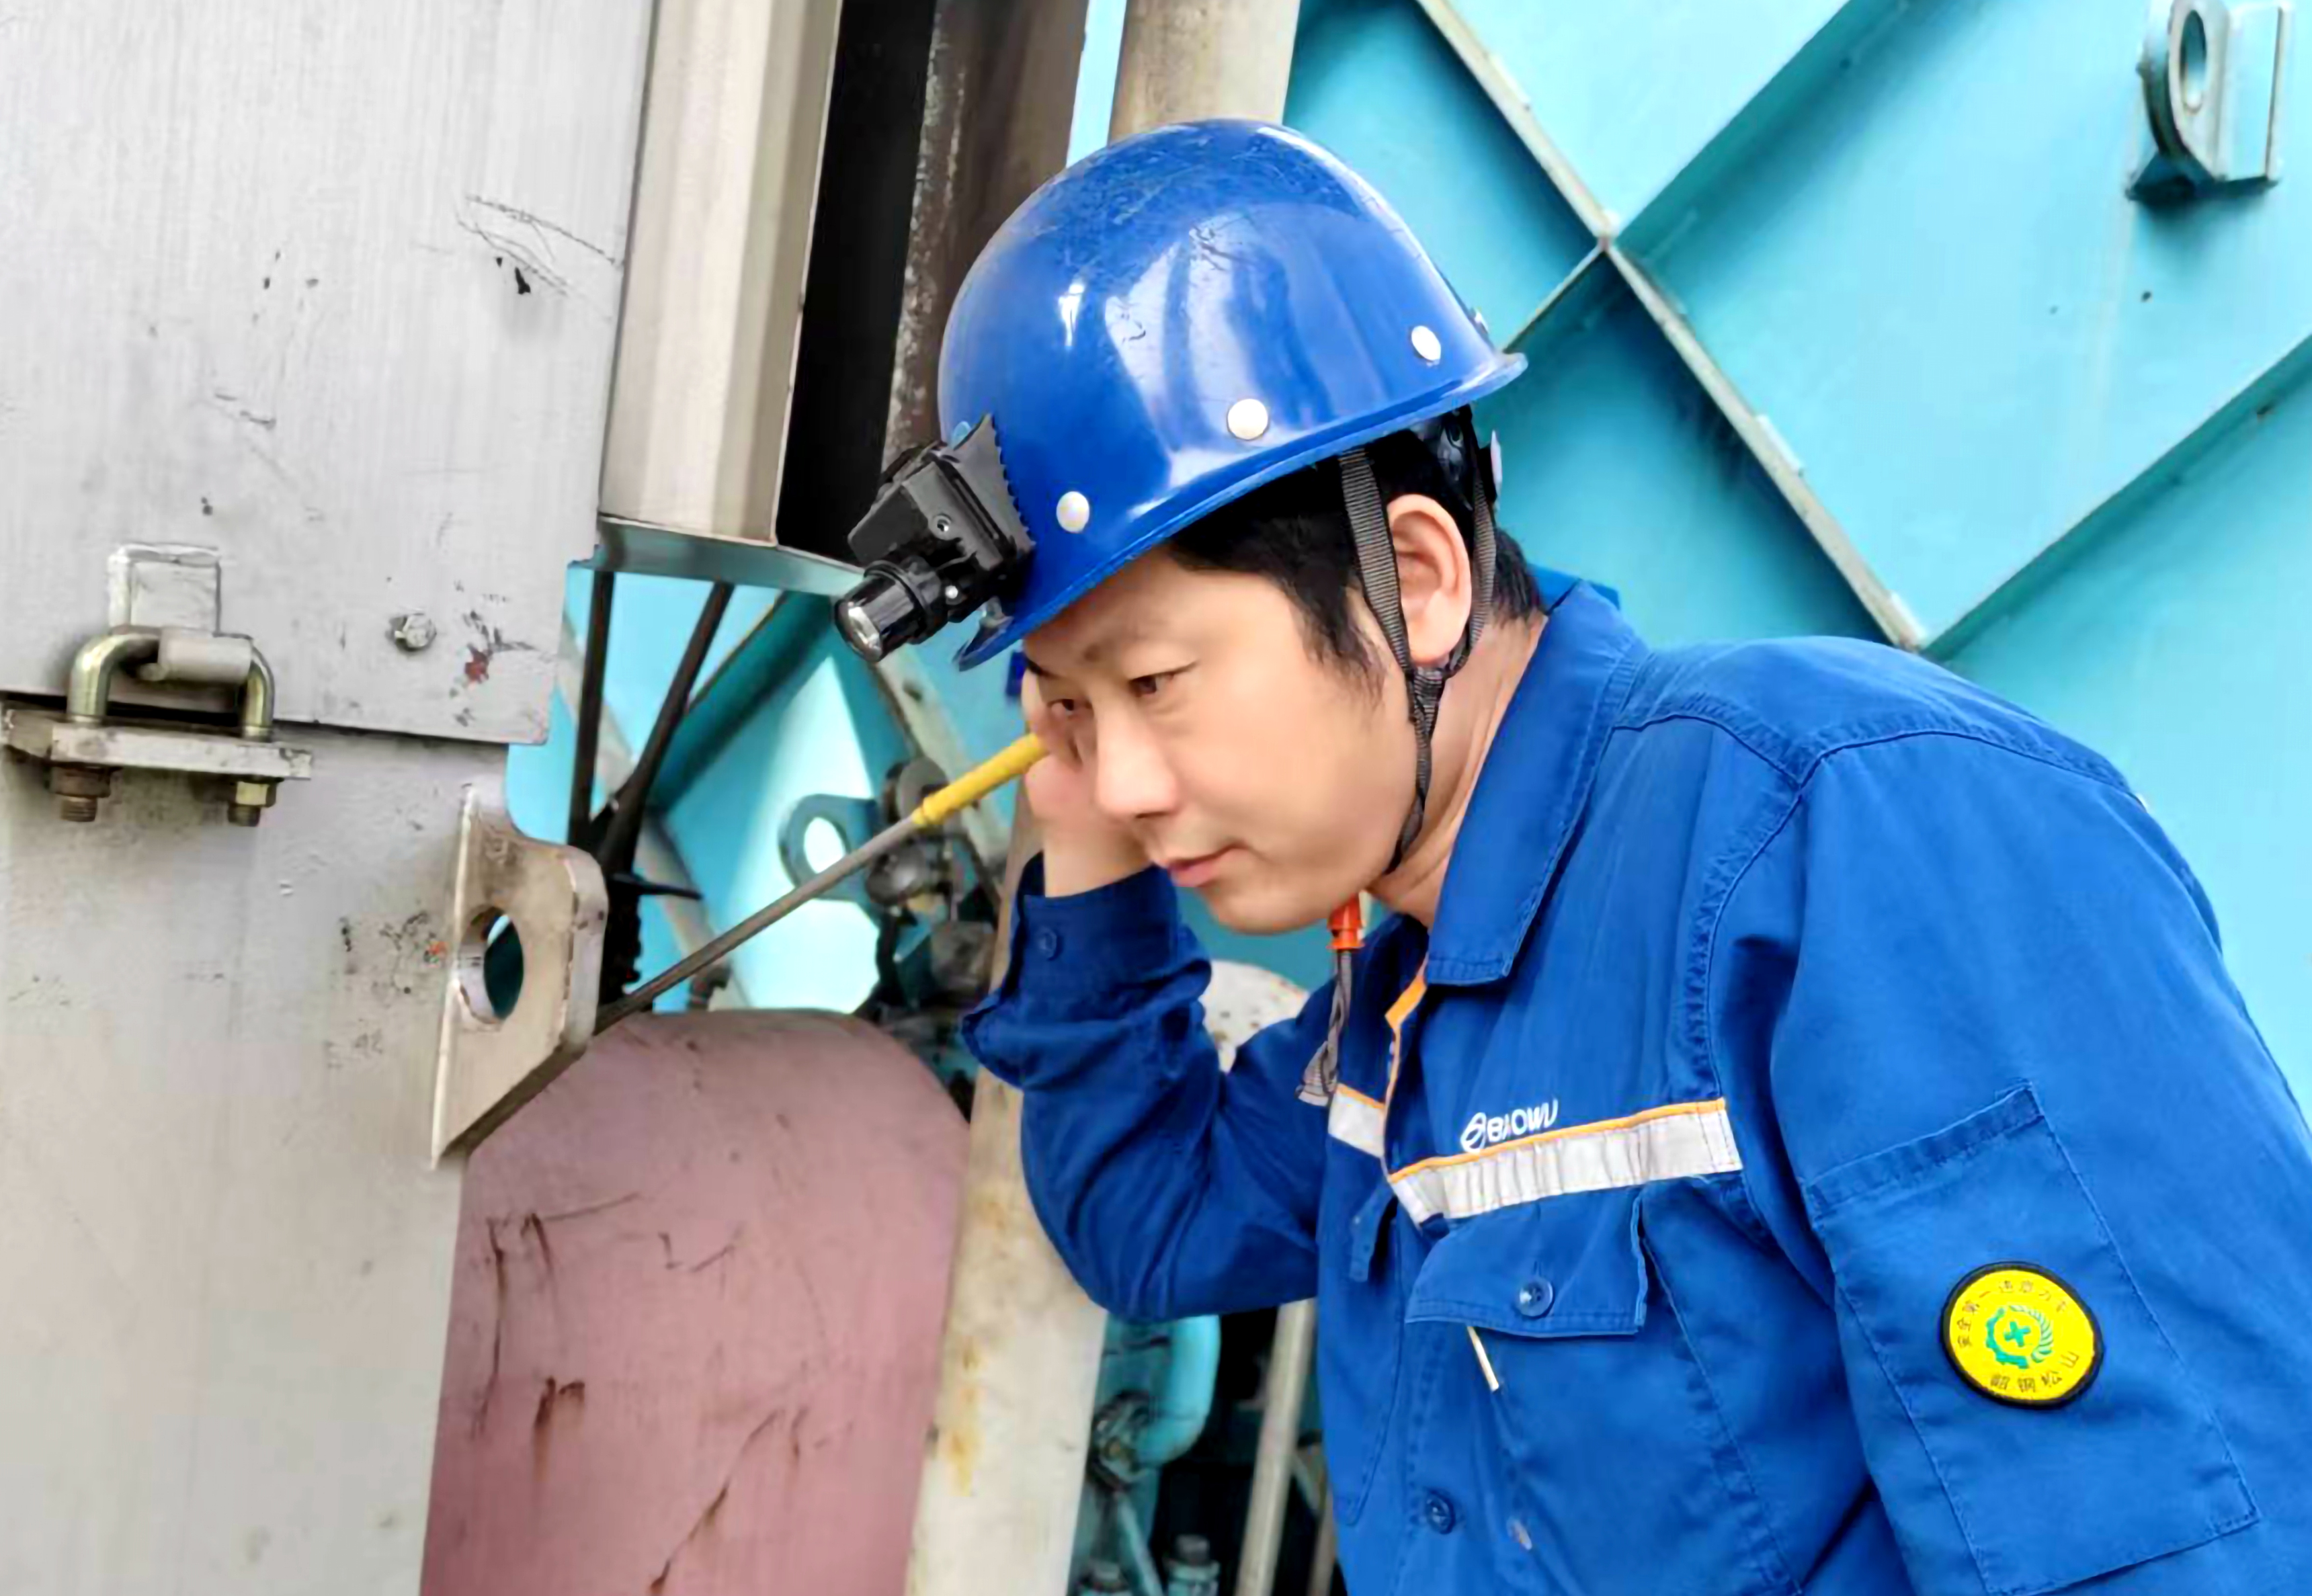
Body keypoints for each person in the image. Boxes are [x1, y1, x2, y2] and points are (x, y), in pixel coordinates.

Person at [935, 120, 2312, 1593]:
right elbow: (1151, 1218)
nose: (1126, 781)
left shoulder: (1844, 833)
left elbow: (2185, 1549)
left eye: (1155, 682)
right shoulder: (1405, 1008)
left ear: (1417, 582)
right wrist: (1080, 826)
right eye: (1070, 708)